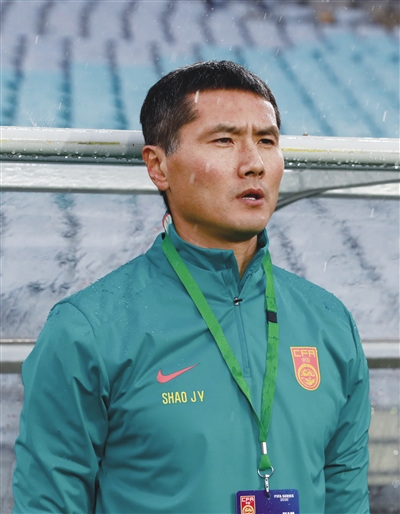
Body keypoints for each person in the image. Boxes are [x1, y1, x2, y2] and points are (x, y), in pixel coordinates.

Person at [13, 60, 370, 514]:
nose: (254, 164)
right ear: (158, 166)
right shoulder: (89, 329)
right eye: (224, 140)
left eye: (267, 141)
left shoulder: (330, 323)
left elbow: (346, 499)